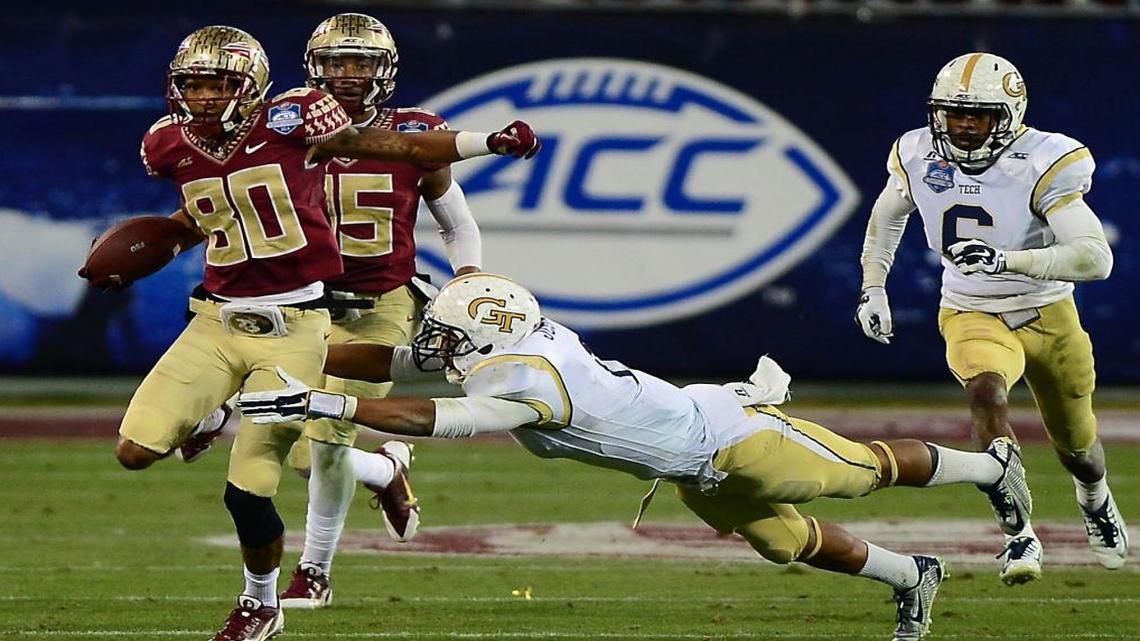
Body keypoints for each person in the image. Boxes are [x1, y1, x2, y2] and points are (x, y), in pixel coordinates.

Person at [238, 273, 1035, 641]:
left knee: (864, 471)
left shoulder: (531, 380)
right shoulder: (511, 346)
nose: (437, 346)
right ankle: (913, 575)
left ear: (487, 335)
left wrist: (322, 404)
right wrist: (314, 357)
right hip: (690, 465)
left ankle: (994, 468)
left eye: (450, 336)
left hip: (733, 434)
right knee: (786, 542)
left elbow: (437, 415)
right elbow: (405, 368)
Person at [82, 26, 539, 641]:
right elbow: (206, 214)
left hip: (350, 303)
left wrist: (484, 150)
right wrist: (147, 248)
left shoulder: (308, 121)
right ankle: (368, 467)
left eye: (218, 85)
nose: (204, 98)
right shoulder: (173, 142)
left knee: (312, 450)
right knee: (167, 449)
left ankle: (301, 577)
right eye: (193, 84)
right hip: (236, 311)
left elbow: (397, 154)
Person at [855, 52, 1127, 585]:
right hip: (971, 308)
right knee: (985, 391)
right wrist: (872, 287)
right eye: (952, 113)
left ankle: (1094, 499)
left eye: (976, 114)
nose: (961, 125)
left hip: (1048, 310)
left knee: (1080, 448)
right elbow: (886, 218)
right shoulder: (916, 153)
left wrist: (1011, 260)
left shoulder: (1045, 159)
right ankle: (1017, 530)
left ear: (1009, 114)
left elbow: (1097, 257)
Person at [278, 13, 487, 609]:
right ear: (315, 68)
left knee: (322, 440)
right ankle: (384, 469)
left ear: (384, 69)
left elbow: (458, 224)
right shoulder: (287, 131)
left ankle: (313, 573)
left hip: (379, 305)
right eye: (337, 62)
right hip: (305, 306)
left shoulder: (416, 134)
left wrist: (469, 278)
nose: (349, 74)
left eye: (362, 62)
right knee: (298, 450)